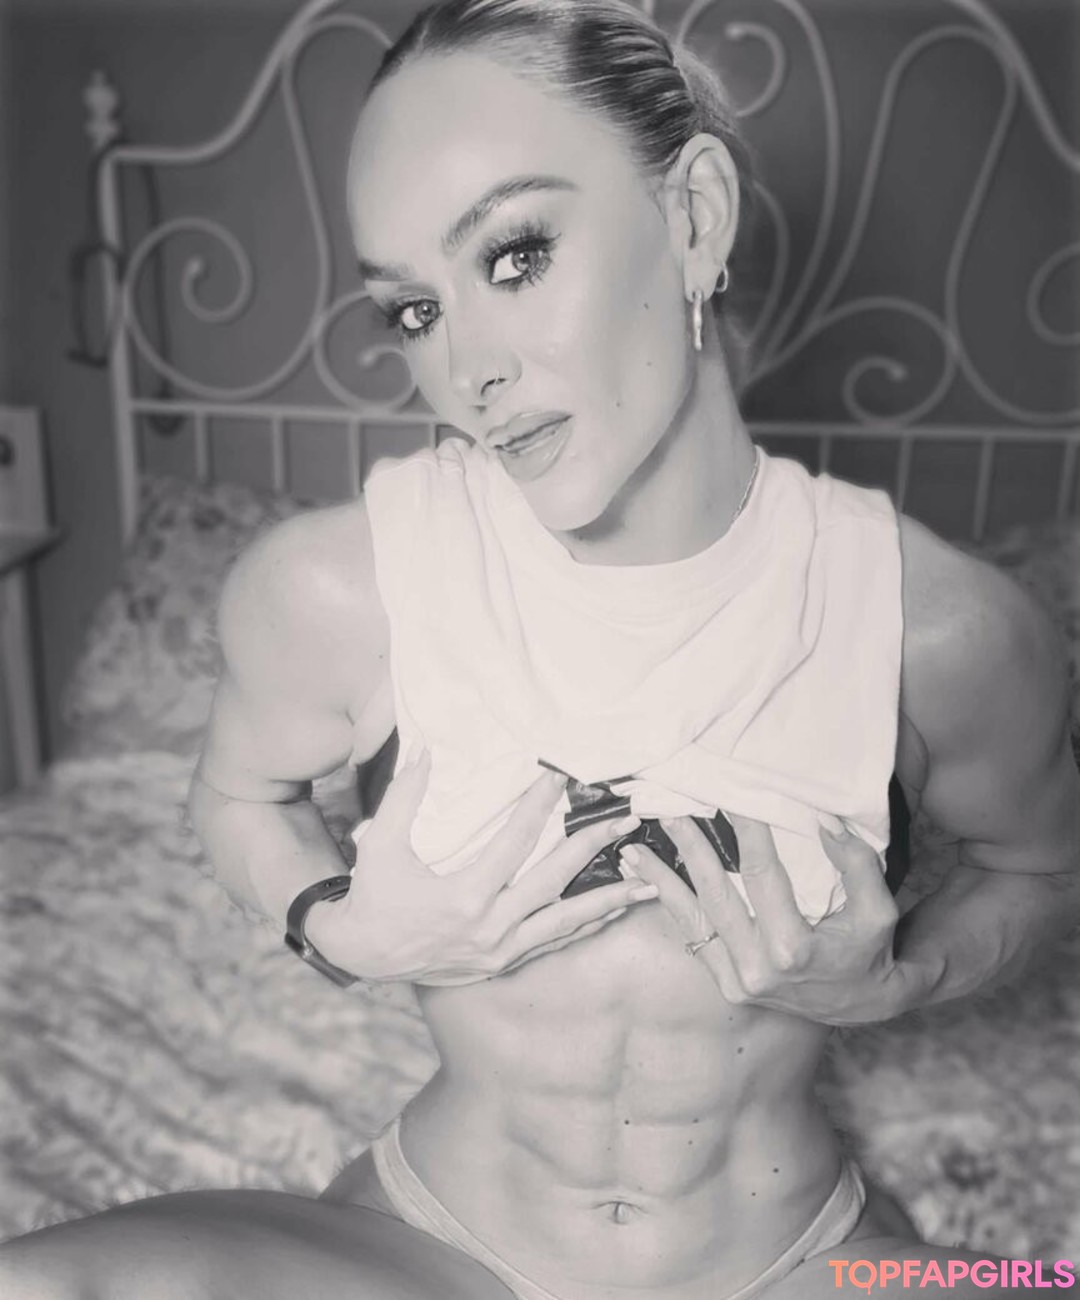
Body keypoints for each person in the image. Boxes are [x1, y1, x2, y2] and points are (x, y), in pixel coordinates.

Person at [4, 2, 1079, 1297]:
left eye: (514, 256)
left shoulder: (938, 627)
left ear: (695, 218)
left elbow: (1040, 866)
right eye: (413, 310)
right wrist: (334, 925)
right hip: (429, 1249)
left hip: (800, 1257)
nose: (466, 370)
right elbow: (237, 794)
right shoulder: (339, 590)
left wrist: (902, 979)